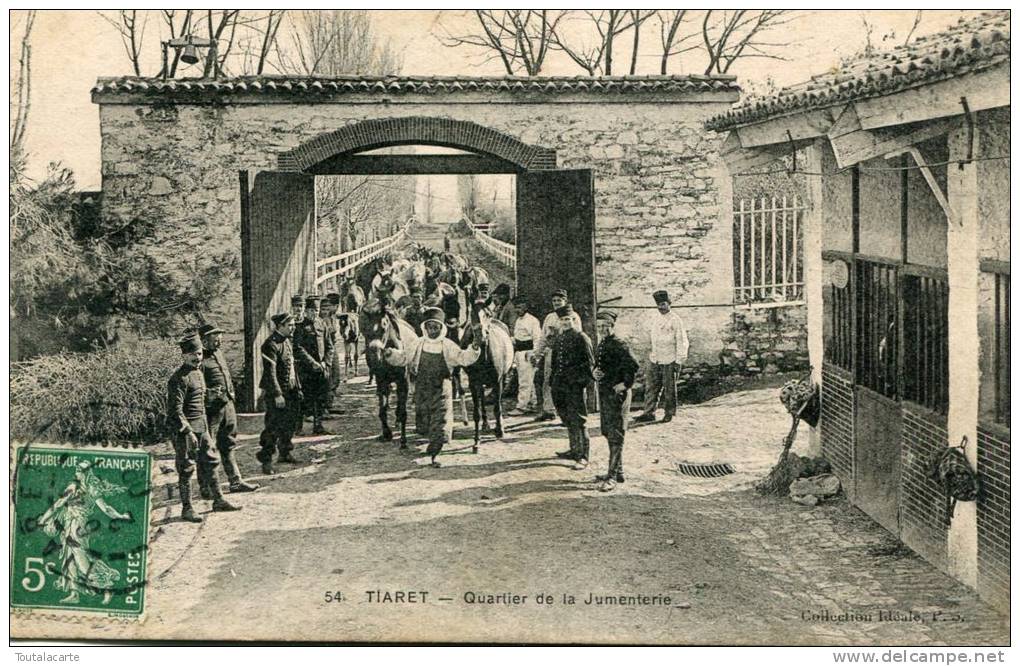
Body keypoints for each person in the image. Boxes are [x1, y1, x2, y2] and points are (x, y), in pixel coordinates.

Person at [385, 307, 480, 468]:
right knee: (425, 418)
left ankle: (435, 453)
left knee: (440, 420)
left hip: (442, 387)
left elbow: (463, 358)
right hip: (422, 388)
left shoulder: (448, 345)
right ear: (425, 328)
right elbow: (404, 358)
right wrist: (390, 354)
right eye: (430, 327)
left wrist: (474, 349)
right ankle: (431, 443)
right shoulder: (418, 343)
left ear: (441, 328)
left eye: (436, 327)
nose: (432, 330)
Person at [167, 332, 241, 522]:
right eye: (192, 354)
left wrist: (211, 394)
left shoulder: (198, 373)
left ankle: (218, 499)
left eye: (199, 353)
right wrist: (188, 432)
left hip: (202, 427)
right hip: (185, 432)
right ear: (184, 356)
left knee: (211, 460)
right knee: (186, 468)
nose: (197, 357)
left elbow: (199, 401)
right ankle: (187, 508)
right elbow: (175, 411)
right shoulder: (178, 379)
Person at [198, 322, 259, 498]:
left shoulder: (218, 353)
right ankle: (206, 487)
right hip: (211, 410)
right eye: (215, 339)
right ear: (204, 340)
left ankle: (235, 481)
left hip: (227, 405)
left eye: (219, 338)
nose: (219, 341)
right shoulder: (200, 359)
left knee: (229, 443)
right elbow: (196, 386)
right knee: (207, 448)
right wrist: (209, 393)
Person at [593, 311, 639, 492]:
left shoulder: (620, 344)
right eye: (599, 327)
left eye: (605, 326)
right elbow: (600, 364)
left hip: (617, 395)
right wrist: (594, 372)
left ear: (612, 326)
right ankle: (618, 472)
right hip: (605, 393)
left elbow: (633, 365)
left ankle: (611, 477)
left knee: (616, 434)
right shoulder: (603, 343)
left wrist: (625, 384)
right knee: (607, 431)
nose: (602, 329)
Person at [549, 304, 595, 469]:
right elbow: (555, 362)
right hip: (560, 385)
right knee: (566, 417)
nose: (565, 322)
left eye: (568, 319)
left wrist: (581, 383)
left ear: (573, 320)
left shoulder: (581, 337)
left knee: (579, 419)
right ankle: (574, 449)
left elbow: (590, 364)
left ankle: (583, 456)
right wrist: (552, 381)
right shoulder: (560, 338)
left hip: (575, 386)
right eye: (562, 319)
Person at [257, 313, 303, 475]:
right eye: (289, 325)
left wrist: (297, 387)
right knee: (273, 426)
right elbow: (270, 373)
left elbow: (292, 367)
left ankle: (285, 452)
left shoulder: (287, 341)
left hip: (290, 390)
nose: (293, 328)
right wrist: (277, 394)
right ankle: (266, 459)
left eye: (293, 325)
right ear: (280, 326)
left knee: (290, 423)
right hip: (277, 392)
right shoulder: (270, 345)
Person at [635, 290, 689, 423]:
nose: (661, 307)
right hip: (656, 358)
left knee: (669, 388)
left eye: (664, 304)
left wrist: (679, 360)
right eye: (659, 305)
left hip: (670, 359)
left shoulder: (676, 320)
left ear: (669, 304)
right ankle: (649, 412)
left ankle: (669, 413)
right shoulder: (656, 319)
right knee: (651, 386)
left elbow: (682, 341)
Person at [531, 288, 581, 422]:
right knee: (548, 380)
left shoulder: (573, 316)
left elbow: (577, 335)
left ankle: (568, 414)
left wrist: (558, 333)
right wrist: (537, 354)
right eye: (554, 300)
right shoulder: (549, 317)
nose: (557, 303)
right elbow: (543, 338)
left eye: (559, 300)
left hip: (567, 354)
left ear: (565, 301)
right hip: (551, 353)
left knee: (566, 382)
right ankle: (549, 410)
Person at [294, 294, 334, 435]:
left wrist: (325, 363)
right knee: (303, 397)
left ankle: (318, 425)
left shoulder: (322, 324)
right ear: (307, 311)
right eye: (312, 310)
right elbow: (298, 348)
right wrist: (313, 363)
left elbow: (330, 346)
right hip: (306, 369)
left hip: (321, 368)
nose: (314, 313)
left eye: (316, 311)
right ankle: (297, 428)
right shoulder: (300, 326)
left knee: (320, 397)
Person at [507, 295, 542, 416]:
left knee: (525, 381)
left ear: (526, 307)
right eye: (516, 308)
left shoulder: (532, 320)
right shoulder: (518, 320)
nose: (518, 310)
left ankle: (521, 406)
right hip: (519, 352)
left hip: (528, 352)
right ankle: (532, 403)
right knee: (528, 380)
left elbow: (537, 338)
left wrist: (534, 354)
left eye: (520, 307)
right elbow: (518, 337)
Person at [322, 293, 344, 412]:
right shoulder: (323, 319)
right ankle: (325, 407)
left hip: (332, 347)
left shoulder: (332, 317)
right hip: (325, 349)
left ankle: (329, 404)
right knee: (328, 377)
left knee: (335, 376)